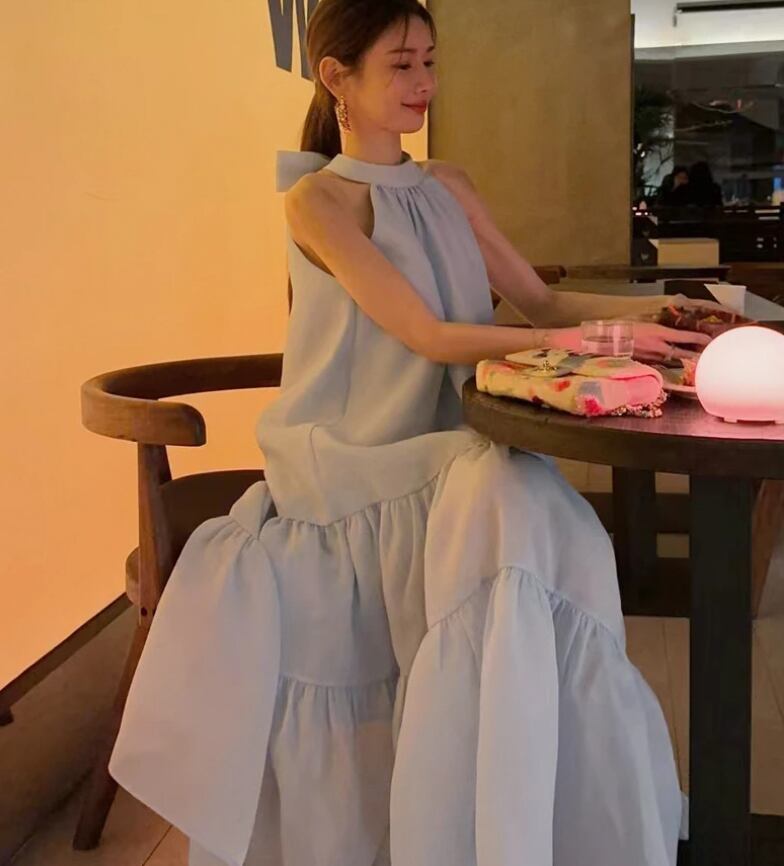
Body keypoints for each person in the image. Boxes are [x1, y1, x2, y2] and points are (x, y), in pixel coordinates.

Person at [108, 2, 715, 865]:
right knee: (513, 494)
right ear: (336, 77)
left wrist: (659, 312)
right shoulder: (318, 201)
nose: (424, 83)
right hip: (353, 453)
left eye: (430, 61)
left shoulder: (448, 185)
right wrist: (594, 342)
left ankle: (519, 807)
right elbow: (426, 334)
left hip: (450, 443)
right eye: (401, 64)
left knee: (520, 495)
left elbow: (539, 302)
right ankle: (486, 817)